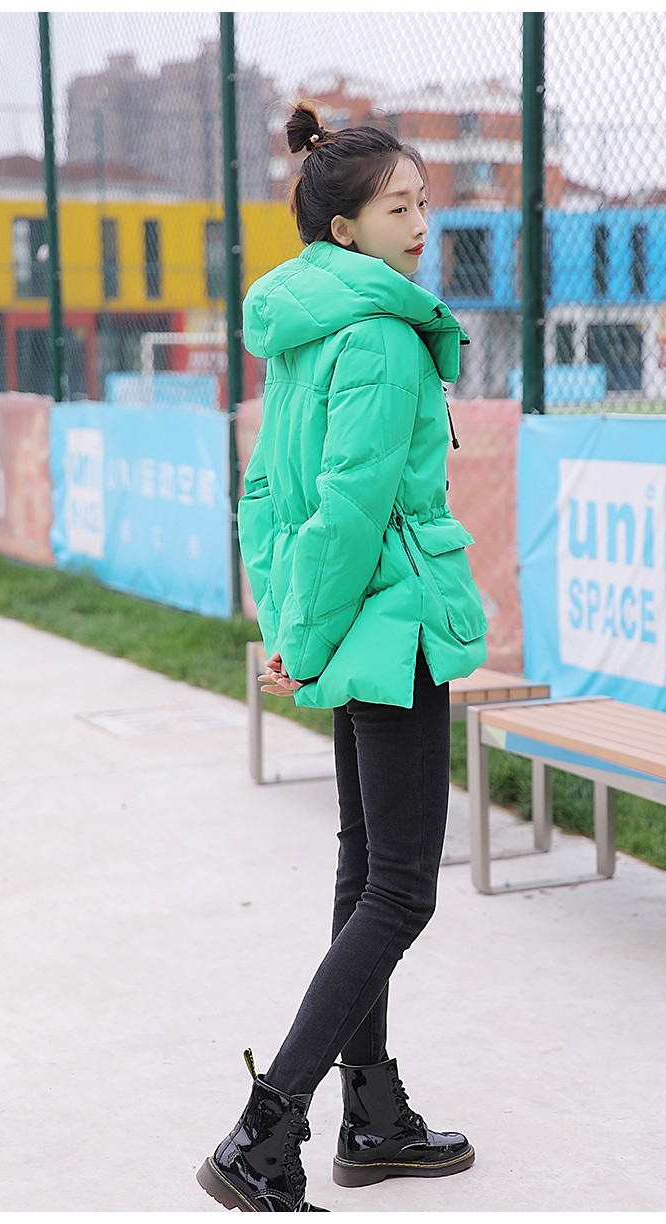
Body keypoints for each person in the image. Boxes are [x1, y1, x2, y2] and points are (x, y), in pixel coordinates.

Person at [196, 101, 487, 1213]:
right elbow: (351, 509)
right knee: (401, 891)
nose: (421, 223)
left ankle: (373, 1117)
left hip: (349, 626)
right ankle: (267, 1132)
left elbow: (271, 496)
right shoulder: (381, 339)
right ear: (344, 229)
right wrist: (304, 634)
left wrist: (289, 628)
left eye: (423, 202)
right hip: (392, 629)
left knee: (367, 874)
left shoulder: (306, 331)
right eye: (398, 207)